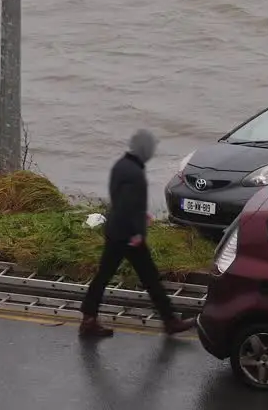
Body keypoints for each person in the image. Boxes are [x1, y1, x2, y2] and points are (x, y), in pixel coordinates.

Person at [79, 129, 194, 339]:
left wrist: (142, 215)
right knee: (149, 277)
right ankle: (170, 321)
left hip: (116, 230)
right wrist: (137, 232)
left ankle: (88, 318)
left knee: (105, 276)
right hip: (127, 236)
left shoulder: (121, 166)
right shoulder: (134, 173)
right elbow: (126, 205)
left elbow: (121, 200)